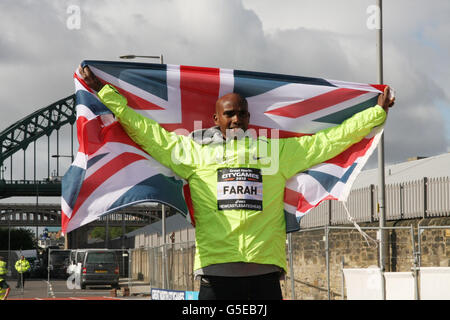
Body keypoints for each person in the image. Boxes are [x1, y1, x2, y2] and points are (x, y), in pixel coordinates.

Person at [79, 65, 394, 300]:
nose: (236, 120)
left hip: (265, 273)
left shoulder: (274, 152)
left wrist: (373, 115)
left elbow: (326, 142)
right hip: (215, 274)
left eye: (242, 114)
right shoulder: (192, 152)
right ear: (215, 119)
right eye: (229, 114)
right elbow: (147, 131)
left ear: (249, 117)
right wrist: (107, 94)